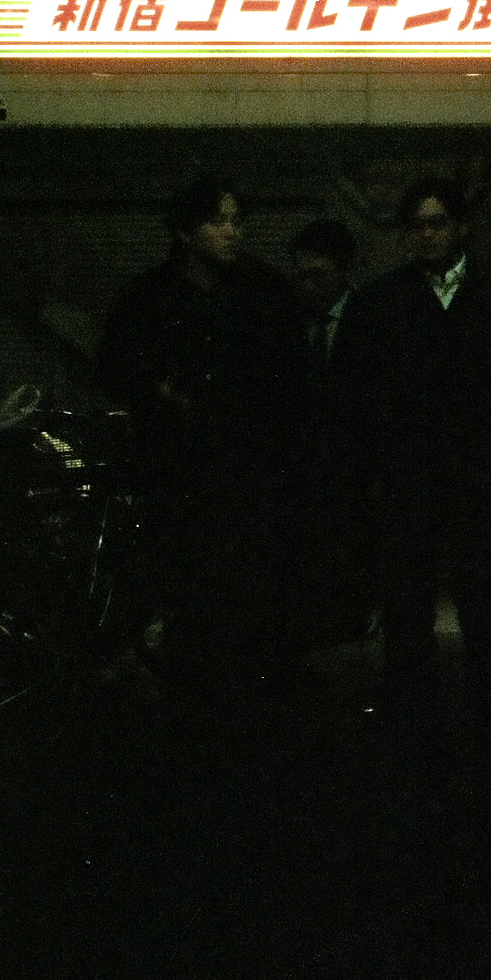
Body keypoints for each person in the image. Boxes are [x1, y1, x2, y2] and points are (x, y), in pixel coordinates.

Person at [98, 174, 306, 725]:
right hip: (180, 472)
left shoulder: (264, 292)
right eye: (219, 221)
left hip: (248, 469)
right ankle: (197, 702)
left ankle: (242, 702)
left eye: (237, 220)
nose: (232, 232)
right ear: (186, 232)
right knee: (192, 590)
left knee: (248, 591)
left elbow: (293, 378)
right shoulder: (150, 296)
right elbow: (116, 365)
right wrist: (161, 392)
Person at [333, 175, 491, 706]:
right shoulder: (476, 293)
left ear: (460, 228)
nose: (426, 235)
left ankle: (450, 679)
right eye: (419, 226)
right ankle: (437, 679)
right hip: (421, 464)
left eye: (436, 224)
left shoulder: (399, 298)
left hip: (460, 462)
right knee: (418, 577)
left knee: (466, 575)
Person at [289, 217, 370, 650]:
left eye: (317, 274)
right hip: (305, 462)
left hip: (349, 463)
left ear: (342, 272)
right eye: (301, 274)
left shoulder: (367, 319)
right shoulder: (293, 323)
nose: (307, 285)